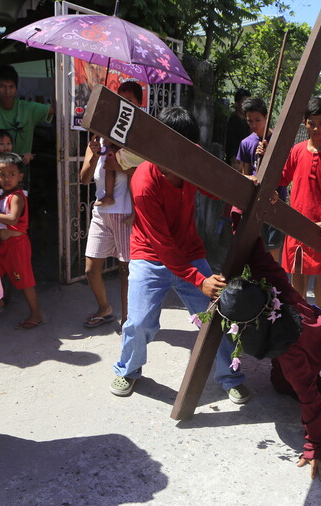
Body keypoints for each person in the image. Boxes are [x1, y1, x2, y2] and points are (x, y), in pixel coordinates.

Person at [111, 107, 249, 403]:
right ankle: (128, 369)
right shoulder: (144, 182)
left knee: (218, 315)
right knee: (139, 322)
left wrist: (249, 188)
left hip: (189, 252)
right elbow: (163, 245)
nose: (173, 158)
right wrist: (199, 280)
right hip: (150, 255)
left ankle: (231, 376)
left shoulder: (192, 160)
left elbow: (218, 188)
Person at [213, 232, 321, 480]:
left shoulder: (290, 351)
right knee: (280, 384)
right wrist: (242, 211)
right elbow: (257, 252)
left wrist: (319, 446)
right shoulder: (276, 286)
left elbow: (309, 399)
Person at [79, 83, 145, 328]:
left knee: (126, 270)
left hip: (126, 214)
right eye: (121, 100)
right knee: (90, 268)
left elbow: (141, 174)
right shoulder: (99, 137)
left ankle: (128, 320)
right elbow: (84, 178)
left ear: (139, 104)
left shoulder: (139, 137)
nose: (125, 104)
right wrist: (95, 153)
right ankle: (105, 308)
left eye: (130, 100)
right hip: (101, 212)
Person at [281, 97, 321, 308]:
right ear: (304, 122)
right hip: (297, 220)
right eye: (312, 123)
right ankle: (300, 315)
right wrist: (265, 158)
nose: (316, 128)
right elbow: (282, 178)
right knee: (297, 270)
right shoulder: (297, 150)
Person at [0, 153, 43, 330]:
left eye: (11, 174)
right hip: (3, 246)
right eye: (1, 174)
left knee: (25, 280)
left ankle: (36, 314)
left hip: (17, 246)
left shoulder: (17, 196)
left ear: (20, 176)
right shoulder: (2, 198)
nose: (6, 178)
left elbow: (12, 219)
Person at [237, 97, 284, 261]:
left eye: (258, 120)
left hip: (274, 202)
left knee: (273, 247)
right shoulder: (246, 143)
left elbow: (285, 171)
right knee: (254, 246)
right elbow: (245, 173)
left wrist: (268, 155)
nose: (254, 124)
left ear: (266, 117)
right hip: (254, 201)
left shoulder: (278, 141)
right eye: (250, 121)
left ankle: (274, 284)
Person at [225, 87, 251, 168]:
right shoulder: (234, 121)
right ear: (237, 103)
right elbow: (232, 143)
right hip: (236, 163)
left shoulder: (249, 122)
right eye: (243, 102)